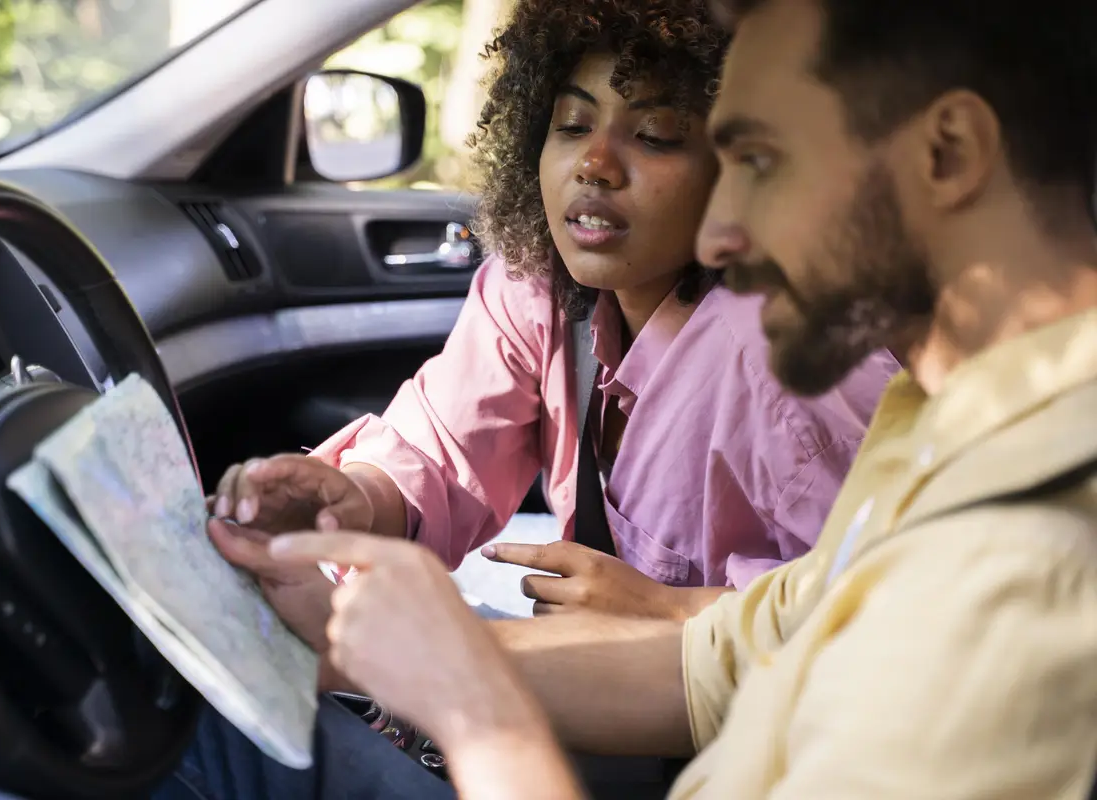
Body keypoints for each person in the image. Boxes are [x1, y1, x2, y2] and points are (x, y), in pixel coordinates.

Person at [207, 0, 1097, 797]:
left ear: (947, 154)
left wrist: (478, 713)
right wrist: (347, 645)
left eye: (761, 160)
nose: (720, 230)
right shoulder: (931, 441)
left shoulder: (1023, 571)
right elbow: (712, 665)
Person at [209, 0, 897, 623]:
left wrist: (674, 611)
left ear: (742, 171)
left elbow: (891, 618)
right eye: (572, 125)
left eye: (655, 134)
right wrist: (352, 497)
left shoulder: (794, 364)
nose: (594, 164)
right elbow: (443, 451)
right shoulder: (537, 286)